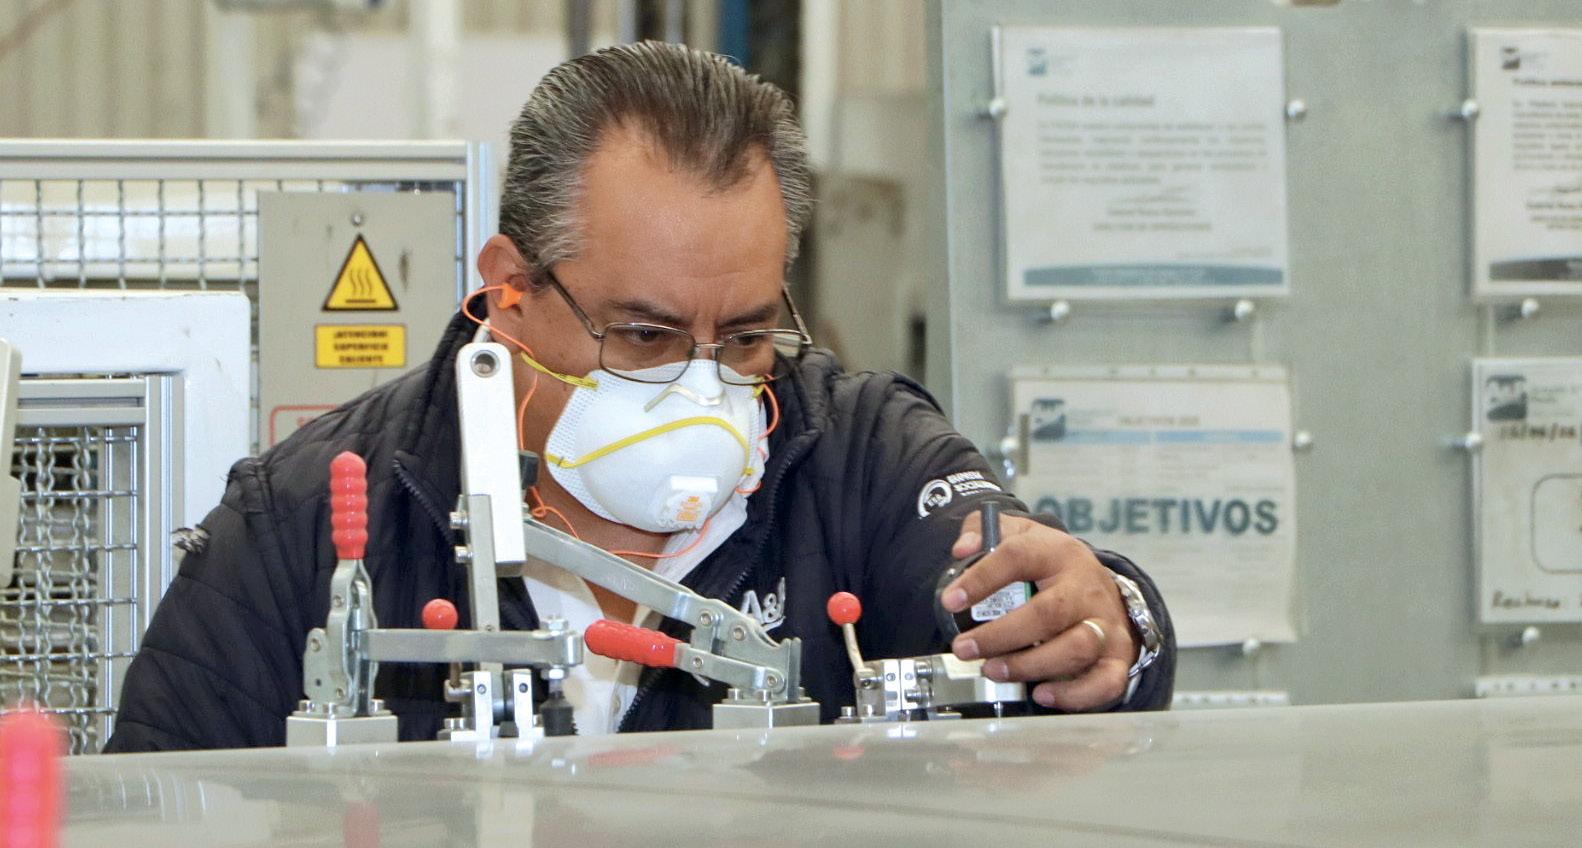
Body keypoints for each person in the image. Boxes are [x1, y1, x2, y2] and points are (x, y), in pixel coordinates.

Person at [105, 41, 1173, 751]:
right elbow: (168, 802)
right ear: (509, 288)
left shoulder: (861, 462)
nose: (699, 384)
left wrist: (1111, 624)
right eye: (644, 336)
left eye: (744, 336)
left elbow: (1027, 604)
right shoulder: (306, 520)